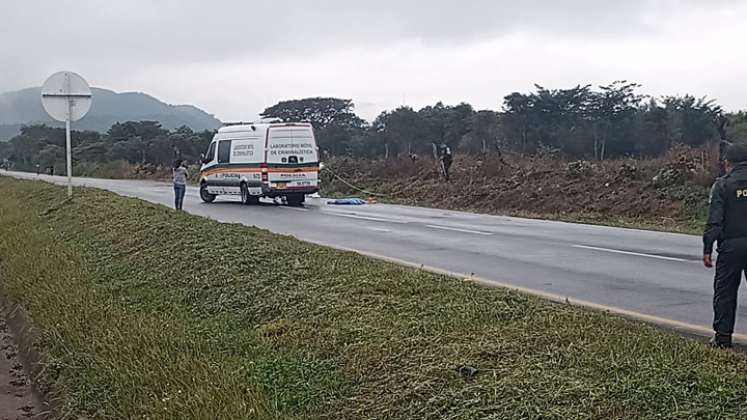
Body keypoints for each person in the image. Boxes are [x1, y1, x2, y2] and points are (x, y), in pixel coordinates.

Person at [703, 143, 747, 348]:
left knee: (725, 292)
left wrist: (707, 248)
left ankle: (722, 338)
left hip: (731, 247)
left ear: (728, 163)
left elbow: (715, 220)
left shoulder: (722, 185)